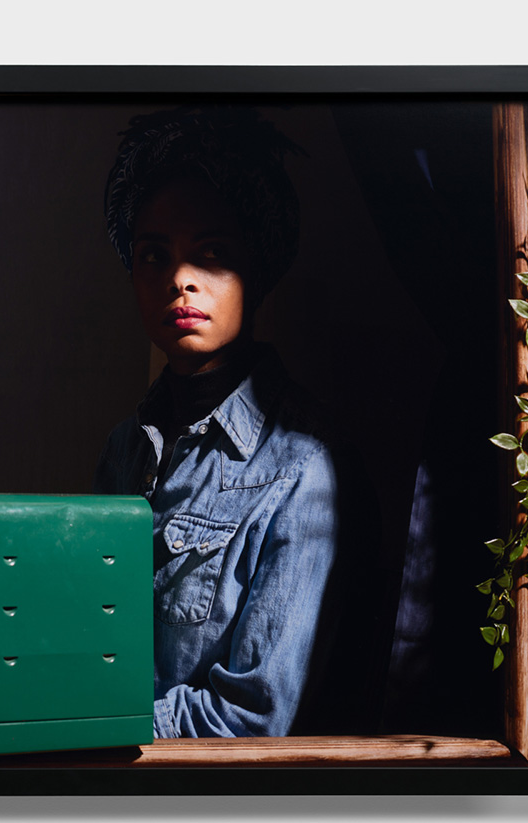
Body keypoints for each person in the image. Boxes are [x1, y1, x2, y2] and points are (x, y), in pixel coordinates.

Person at [94, 105, 379, 738]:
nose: (179, 281)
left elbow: (253, 715)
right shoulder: (124, 448)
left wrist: (84, 723)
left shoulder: (305, 466)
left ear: (258, 264)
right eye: (152, 255)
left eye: (212, 253)